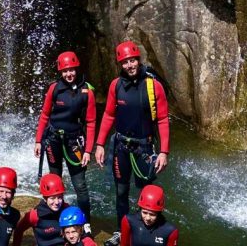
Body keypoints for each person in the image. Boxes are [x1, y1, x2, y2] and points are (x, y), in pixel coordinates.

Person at [94, 41, 170, 246]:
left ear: (138, 59)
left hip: (144, 147)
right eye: (125, 62)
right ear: (121, 64)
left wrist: (163, 151)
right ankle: (122, 230)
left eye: (132, 60)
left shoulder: (153, 86)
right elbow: (109, 114)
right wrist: (100, 144)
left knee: (146, 191)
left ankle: (146, 231)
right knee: (121, 191)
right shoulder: (116, 85)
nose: (130, 65)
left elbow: (162, 119)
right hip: (120, 146)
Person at [34, 51, 96, 219]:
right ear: (61, 72)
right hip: (53, 139)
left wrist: (88, 151)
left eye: (72, 70)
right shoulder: (54, 89)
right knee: (54, 180)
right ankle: (55, 218)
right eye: (65, 71)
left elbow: (90, 123)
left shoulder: (86, 91)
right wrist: (38, 140)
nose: (69, 74)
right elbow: (45, 115)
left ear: (77, 69)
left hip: (74, 142)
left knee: (80, 185)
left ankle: (85, 222)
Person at [12, 173, 68, 246]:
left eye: (60, 197)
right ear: (45, 198)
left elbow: (81, 231)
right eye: (52, 198)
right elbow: (19, 230)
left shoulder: (67, 210)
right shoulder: (35, 215)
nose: (57, 202)